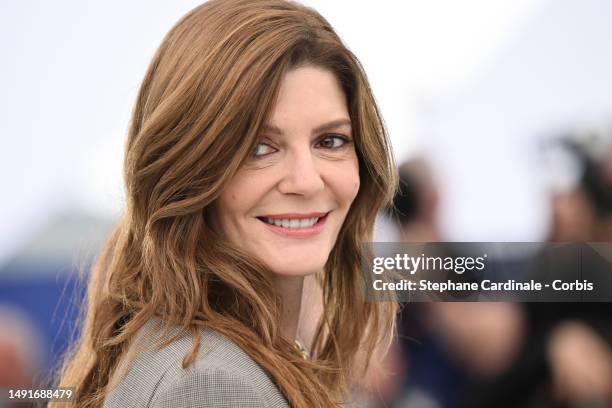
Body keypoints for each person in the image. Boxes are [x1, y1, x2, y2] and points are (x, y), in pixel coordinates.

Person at [50, 1, 398, 407]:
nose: (306, 181)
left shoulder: (198, 351)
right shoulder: (211, 385)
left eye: (331, 141)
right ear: (190, 167)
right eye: (260, 147)